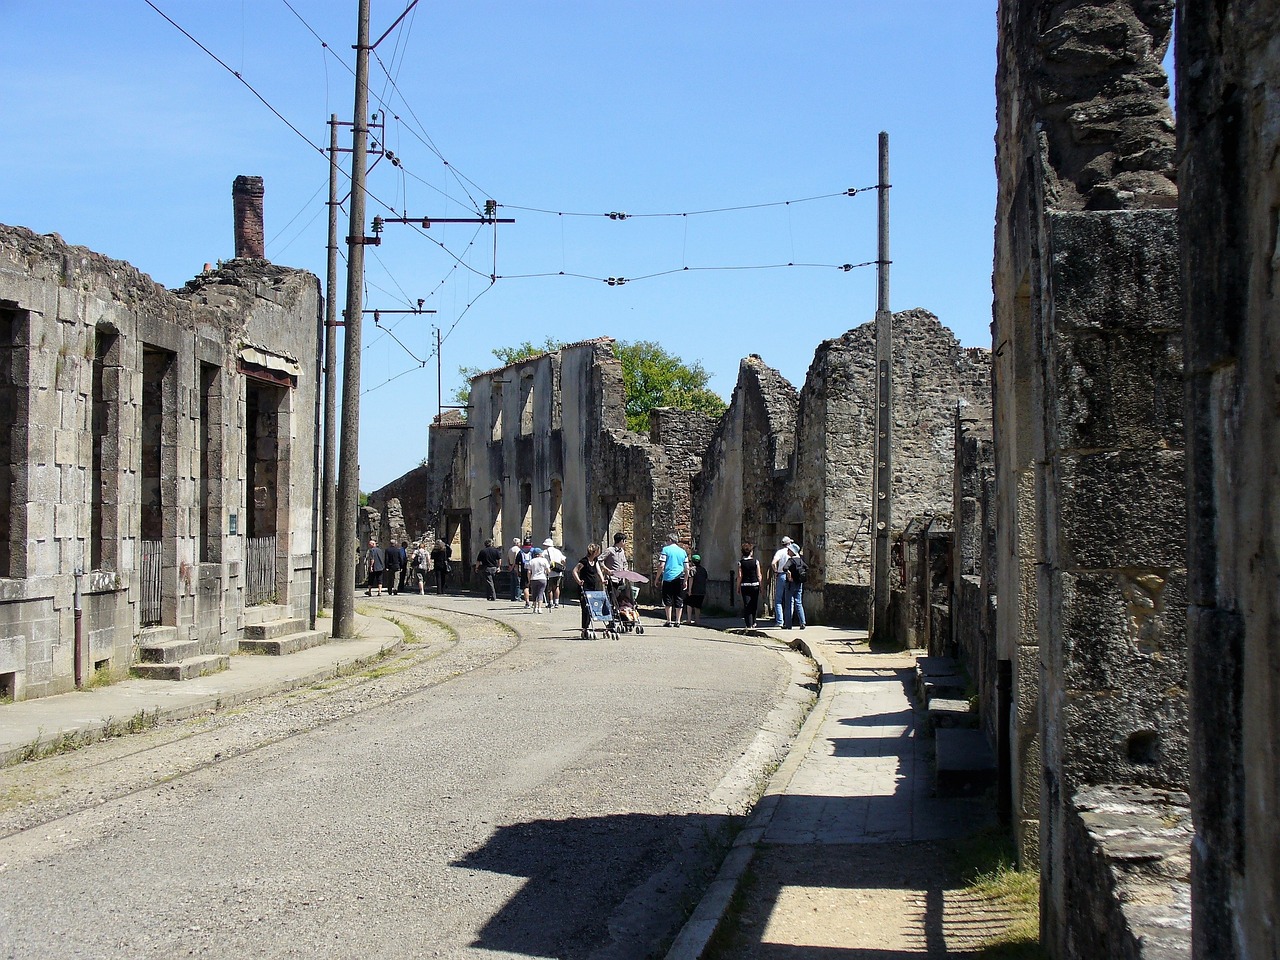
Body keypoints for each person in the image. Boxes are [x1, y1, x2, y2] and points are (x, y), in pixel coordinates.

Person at [572, 543, 605, 639]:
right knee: (585, 608)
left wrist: (602, 580)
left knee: (593, 607)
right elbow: (574, 571)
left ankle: (589, 626)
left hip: (593, 587)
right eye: (598, 551)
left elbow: (598, 570)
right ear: (594, 552)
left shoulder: (595, 560)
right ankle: (585, 627)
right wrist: (578, 581)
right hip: (584, 587)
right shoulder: (584, 561)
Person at [659, 534, 689, 627]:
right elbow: (687, 568)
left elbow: (661, 565)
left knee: (667, 598)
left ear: (670, 540)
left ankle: (669, 620)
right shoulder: (683, 552)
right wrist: (685, 580)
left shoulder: (665, 550)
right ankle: (678, 621)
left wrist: (657, 578)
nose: (666, 542)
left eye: (667, 540)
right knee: (678, 598)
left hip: (668, 577)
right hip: (679, 577)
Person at [782, 542, 808, 630]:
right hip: (799, 583)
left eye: (789, 550)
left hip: (790, 583)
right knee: (799, 602)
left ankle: (788, 624)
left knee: (788, 603)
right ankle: (802, 622)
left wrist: (789, 574)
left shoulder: (791, 560)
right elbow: (806, 567)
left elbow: (785, 568)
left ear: (792, 552)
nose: (787, 551)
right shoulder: (800, 560)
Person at [736, 541, 762, 628]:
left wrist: (738, 587)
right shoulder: (756, 562)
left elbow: (740, 576)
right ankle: (754, 621)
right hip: (755, 584)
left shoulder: (740, 563)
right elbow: (759, 575)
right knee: (754, 604)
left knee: (747, 605)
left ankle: (749, 624)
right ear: (751, 552)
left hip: (745, 585)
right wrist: (761, 586)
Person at [770, 536, 794, 624]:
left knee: (778, 599)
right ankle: (789, 620)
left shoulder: (779, 552)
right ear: (789, 544)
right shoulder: (793, 552)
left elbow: (773, 563)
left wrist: (776, 571)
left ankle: (780, 620)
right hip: (791, 575)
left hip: (781, 574)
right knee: (790, 599)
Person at [683, 553, 709, 625]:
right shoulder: (703, 570)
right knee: (698, 606)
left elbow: (691, 579)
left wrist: (690, 590)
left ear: (692, 562)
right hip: (701, 591)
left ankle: (689, 619)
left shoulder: (692, 570)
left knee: (689, 604)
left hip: (694, 590)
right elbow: (705, 579)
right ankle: (697, 620)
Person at [542, 538, 567, 608]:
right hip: (558, 571)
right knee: (557, 587)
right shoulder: (558, 551)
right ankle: (557, 602)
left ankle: (551, 603)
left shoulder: (544, 552)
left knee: (550, 588)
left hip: (549, 572)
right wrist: (563, 567)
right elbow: (563, 560)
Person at [527, 547, 551, 613]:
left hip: (533, 579)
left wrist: (529, 579)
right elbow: (548, 570)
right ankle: (539, 608)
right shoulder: (544, 560)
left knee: (534, 594)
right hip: (542, 578)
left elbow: (529, 572)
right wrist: (545, 572)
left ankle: (534, 608)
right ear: (540, 553)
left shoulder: (531, 561)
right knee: (541, 593)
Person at [518, 536, 535, 606]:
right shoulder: (534, 551)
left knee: (526, 587)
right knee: (534, 586)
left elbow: (516, 564)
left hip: (524, 570)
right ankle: (535, 602)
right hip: (533, 570)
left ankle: (527, 602)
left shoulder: (520, 552)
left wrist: (517, 572)